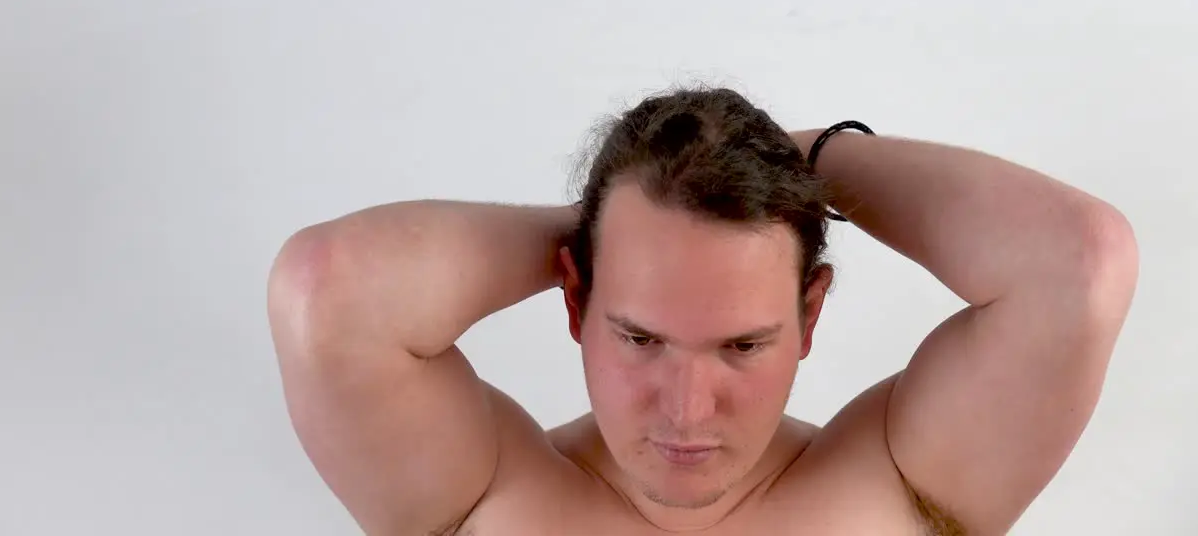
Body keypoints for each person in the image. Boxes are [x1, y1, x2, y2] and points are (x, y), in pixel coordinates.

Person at [266, 86, 1138, 536]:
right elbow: (328, 288)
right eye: (640, 336)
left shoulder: (905, 480)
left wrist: (792, 161)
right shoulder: (484, 490)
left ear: (811, 313)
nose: (686, 409)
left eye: (744, 344)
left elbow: (1079, 265)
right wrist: (610, 218)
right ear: (575, 298)